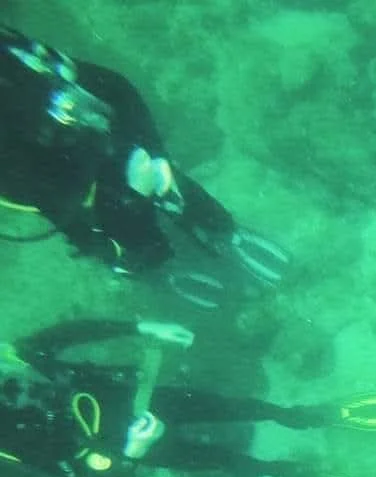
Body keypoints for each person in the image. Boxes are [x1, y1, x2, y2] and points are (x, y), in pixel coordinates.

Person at [1, 317, 376, 477]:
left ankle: (299, 417)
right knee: (215, 457)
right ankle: (281, 471)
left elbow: (73, 331)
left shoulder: (16, 358)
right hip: (129, 444)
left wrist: (139, 327)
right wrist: (133, 450)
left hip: (140, 397)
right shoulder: (12, 437)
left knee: (228, 406)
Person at [0, 26, 288, 302]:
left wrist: (156, 152)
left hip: (95, 150)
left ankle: (226, 232)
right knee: (125, 241)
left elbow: (115, 86)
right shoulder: (20, 165)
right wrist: (121, 220)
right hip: (52, 185)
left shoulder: (20, 60)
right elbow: (57, 209)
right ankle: (165, 273)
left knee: (163, 180)